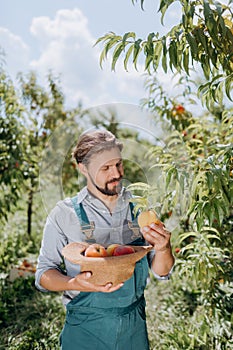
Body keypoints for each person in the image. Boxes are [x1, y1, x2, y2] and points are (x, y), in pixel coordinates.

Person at [35, 129, 175, 350]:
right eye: (105, 168)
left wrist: (164, 247)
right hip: (85, 331)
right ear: (83, 169)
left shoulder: (139, 208)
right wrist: (74, 283)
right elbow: (44, 274)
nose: (116, 174)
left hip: (133, 328)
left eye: (118, 164)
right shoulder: (64, 214)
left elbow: (162, 271)